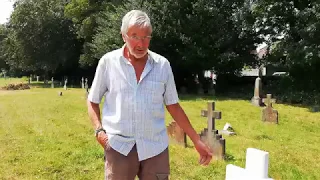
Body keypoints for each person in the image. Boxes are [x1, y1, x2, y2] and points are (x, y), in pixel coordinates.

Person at [87, 10, 213, 180]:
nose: (141, 43)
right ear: (123, 36)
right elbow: (92, 101)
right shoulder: (108, 63)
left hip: (155, 148)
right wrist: (99, 132)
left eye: (146, 37)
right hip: (119, 147)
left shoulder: (162, 65)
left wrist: (196, 140)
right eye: (134, 36)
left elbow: (173, 106)